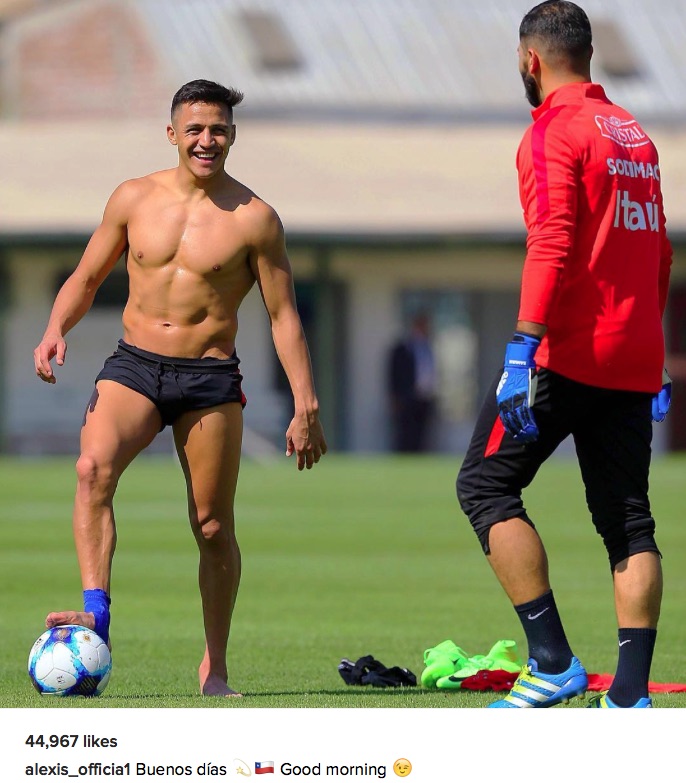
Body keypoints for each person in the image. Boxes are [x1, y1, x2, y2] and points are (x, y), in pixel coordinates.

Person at [33, 79, 327, 697]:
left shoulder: (255, 219)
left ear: (233, 135)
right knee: (91, 470)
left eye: (218, 129)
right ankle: (99, 618)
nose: (206, 140)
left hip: (209, 378)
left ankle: (214, 667)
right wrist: (56, 327)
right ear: (172, 134)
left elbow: (283, 316)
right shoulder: (133, 198)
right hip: (135, 364)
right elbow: (86, 276)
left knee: (213, 526)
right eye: (194, 129)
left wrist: (305, 402)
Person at [456, 1, 672, 708]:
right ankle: (631, 694)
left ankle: (552, 660)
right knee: (628, 520)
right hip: (633, 356)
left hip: (565, 353)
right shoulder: (634, 134)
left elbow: (550, 240)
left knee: (485, 486)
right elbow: (659, 250)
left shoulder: (555, 130)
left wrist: (522, 347)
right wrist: (657, 353)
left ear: (531, 60)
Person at [387, 313, 438, 452]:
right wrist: (395, 397)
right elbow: (394, 374)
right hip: (408, 398)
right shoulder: (404, 347)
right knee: (406, 432)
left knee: (422, 434)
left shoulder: (428, 346)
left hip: (425, 397)